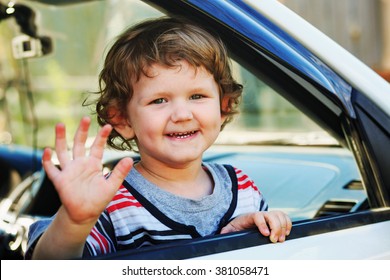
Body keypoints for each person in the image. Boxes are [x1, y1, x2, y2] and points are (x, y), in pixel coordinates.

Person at [26, 17, 292, 259]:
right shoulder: (108, 199)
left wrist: (267, 227)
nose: (182, 114)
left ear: (223, 107)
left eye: (197, 96)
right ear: (122, 119)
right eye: (159, 100)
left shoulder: (242, 186)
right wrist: (75, 222)